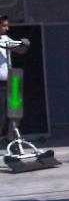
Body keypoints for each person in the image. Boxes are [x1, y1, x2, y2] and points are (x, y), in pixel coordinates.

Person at [0, 15, 28, 143]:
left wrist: (25, 45)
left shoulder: (6, 39)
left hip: (12, 79)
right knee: (2, 116)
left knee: (16, 113)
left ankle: (10, 139)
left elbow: (20, 50)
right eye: (4, 25)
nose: (7, 28)